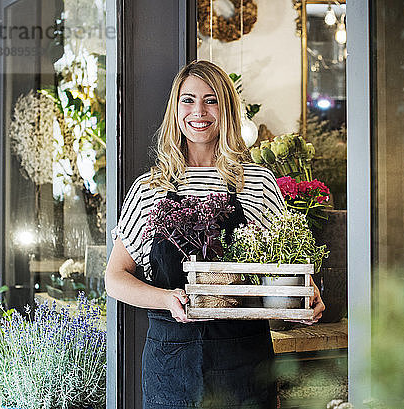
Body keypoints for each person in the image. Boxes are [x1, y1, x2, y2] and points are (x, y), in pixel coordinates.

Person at [105, 59, 325, 409]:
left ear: (227, 110)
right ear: (175, 110)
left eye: (211, 100)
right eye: (188, 100)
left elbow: (287, 268)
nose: (199, 111)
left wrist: (308, 296)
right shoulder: (151, 188)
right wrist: (166, 299)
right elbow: (115, 278)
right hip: (170, 364)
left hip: (244, 362)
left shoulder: (257, 183)